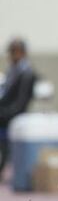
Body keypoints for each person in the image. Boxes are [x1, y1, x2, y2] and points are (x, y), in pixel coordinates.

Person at [0, 38, 36, 179]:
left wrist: (4, 113)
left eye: (14, 52)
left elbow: (20, 103)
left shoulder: (26, 73)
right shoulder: (12, 71)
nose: (11, 56)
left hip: (14, 114)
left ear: (22, 53)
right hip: (6, 112)